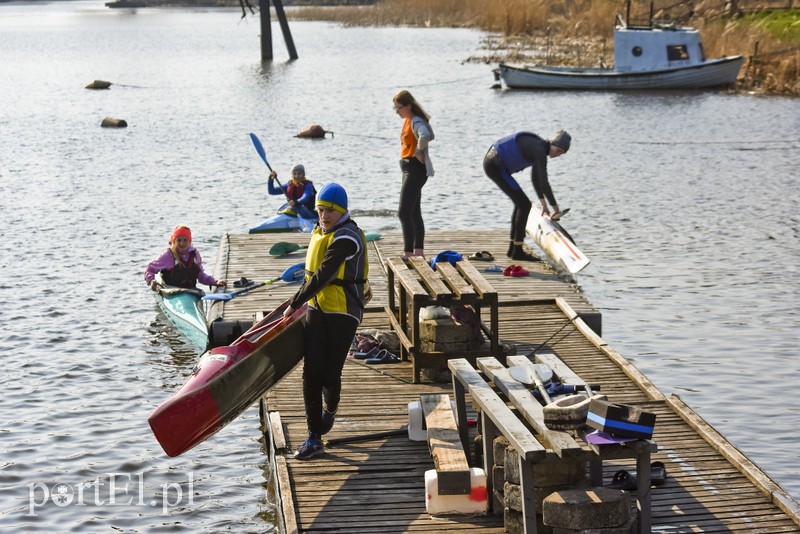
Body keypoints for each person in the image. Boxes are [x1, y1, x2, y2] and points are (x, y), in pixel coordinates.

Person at [282, 183, 369, 460]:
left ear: (342, 210)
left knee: (330, 374)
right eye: (320, 209)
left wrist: (294, 302)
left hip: (344, 312)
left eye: (330, 210)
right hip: (317, 309)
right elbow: (312, 273)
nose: (324, 215)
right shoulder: (319, 231)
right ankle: (313, 436)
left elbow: (324, 274)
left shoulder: (348, 237)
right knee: (311, 373)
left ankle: (329, 409)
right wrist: (302, 300)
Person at [483, 130, 572, 262]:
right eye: (558, 150)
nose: (558, 154)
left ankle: (513, 249)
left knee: (521, 204)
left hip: (497, 165)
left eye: (562, 153)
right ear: (552, 143)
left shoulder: (541, 149)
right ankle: (517, 251)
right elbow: (544, 181)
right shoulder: (539, 149)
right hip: (494, 165)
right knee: (524, 205)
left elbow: (536, 179)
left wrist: (544, 205)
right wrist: (556, 208)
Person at [393, 89, 434, 259]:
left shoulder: (416, 121)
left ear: (408, 106)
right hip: (408, 169)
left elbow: (426, 135)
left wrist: (418, 150)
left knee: (403, 212)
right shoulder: (408, 121)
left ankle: (408, 253)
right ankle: (418, 252)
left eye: (399, 108)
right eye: (394, 108)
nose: (396, 111)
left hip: (415, 170)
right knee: (414, 212)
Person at [144, 225, 226, 290]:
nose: (182, 243)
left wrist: (215, 282)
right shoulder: (168, 256)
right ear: (174, 241)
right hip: (171, 292)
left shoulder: (195, 255)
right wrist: (151, 280)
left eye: (185, 240)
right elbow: (150, 269)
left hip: (191, 291)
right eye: (179, 240)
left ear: (189, 241)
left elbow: (200, 276)